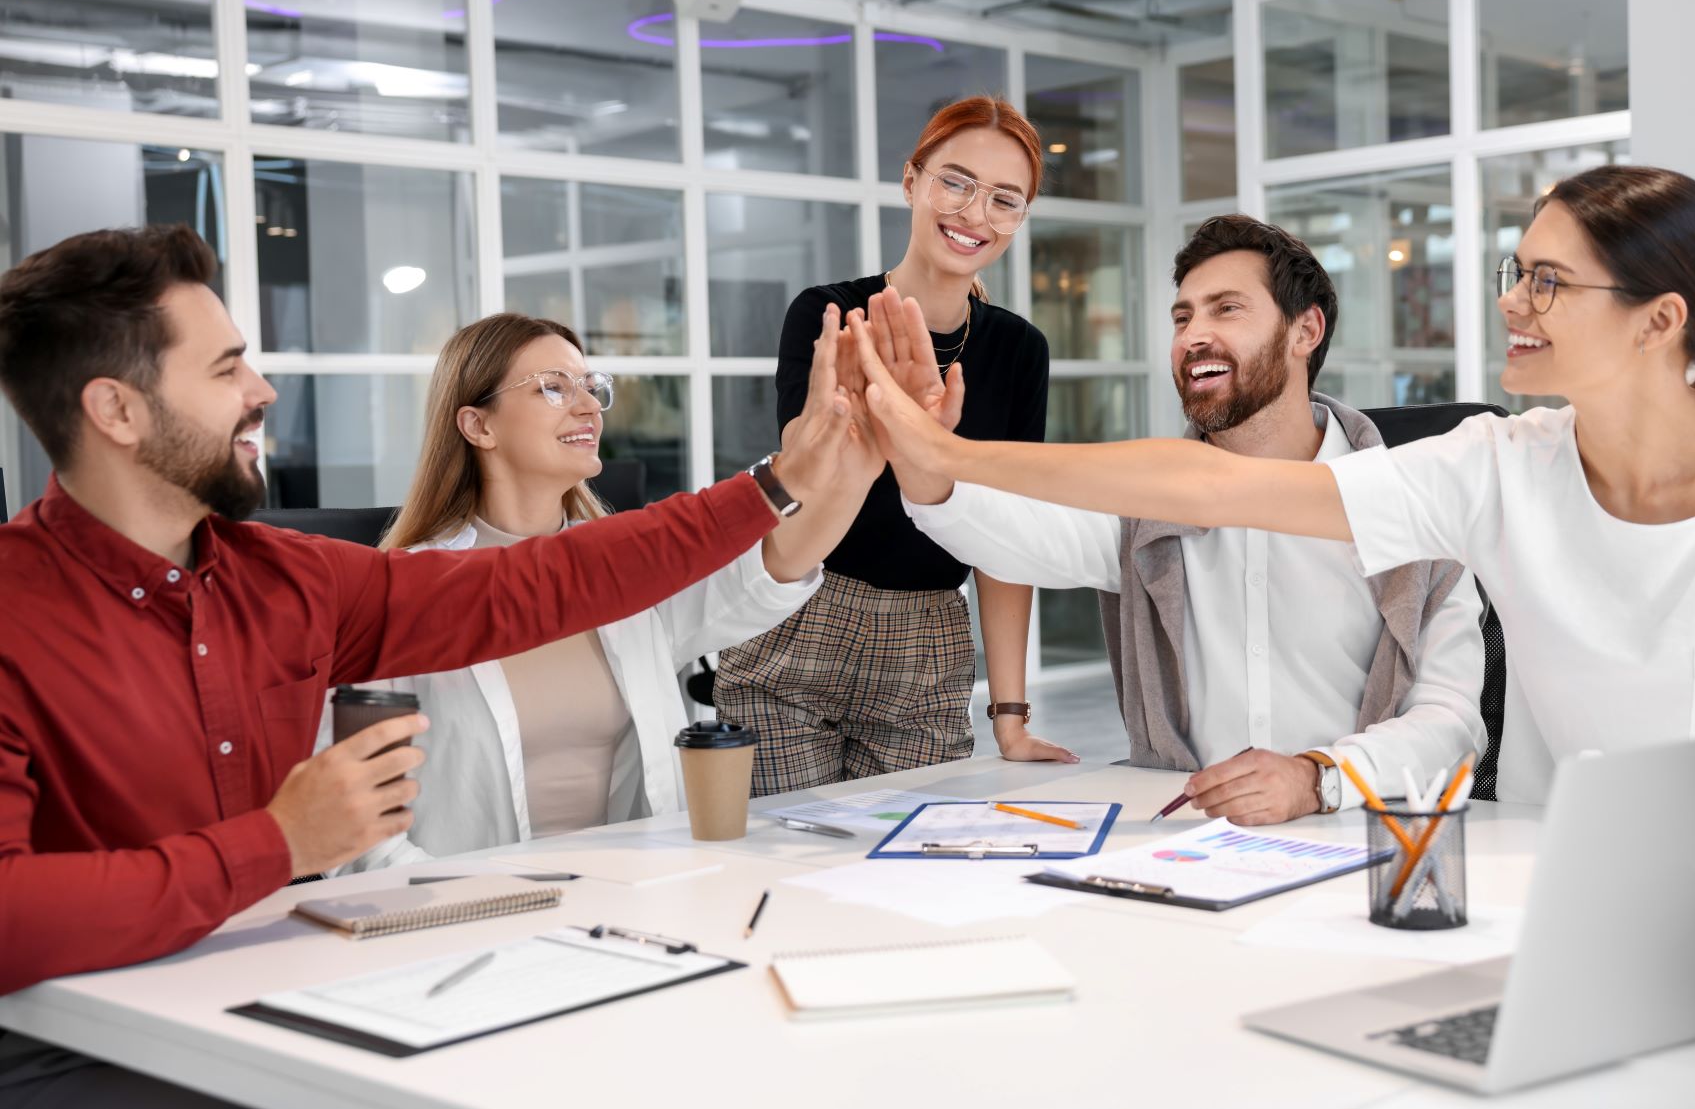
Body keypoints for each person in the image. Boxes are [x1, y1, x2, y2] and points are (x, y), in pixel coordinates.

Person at [0, 225, 859, 1101]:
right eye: (224, 371)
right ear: (116, 410)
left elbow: (549, 580)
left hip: (303, 1000)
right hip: (90, 1050)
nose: (261, 391)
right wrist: (283, 840)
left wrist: (776, 481)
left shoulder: (291, 578)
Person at [852, 166, 1695, 805]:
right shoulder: (1494, 465)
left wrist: (1322, 776)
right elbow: (1199, 490)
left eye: (1546, 281)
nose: (1510, 300)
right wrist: (939, 461)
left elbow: (1451, 722)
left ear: (1658, 320)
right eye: (1518, 272)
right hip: (1528, 889)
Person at [877, 216, 1485, 824]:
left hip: (1363, 839)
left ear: (1306, 330)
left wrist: (1318, 777)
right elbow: (1006, 535)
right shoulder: (1149, 517)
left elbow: (1452, 722)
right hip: (1189, 843)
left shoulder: (1410, 507)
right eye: (1182, 317)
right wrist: (918, 453)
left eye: (1226, 309)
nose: (1195, 335)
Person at [329, 311, 881, 870]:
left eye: (591, 387)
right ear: (478, 426)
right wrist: (454, 902)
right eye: (552, 387)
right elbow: (354, 826)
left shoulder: (625, 571)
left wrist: (859, 467)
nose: (590, 406)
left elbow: (771, 567)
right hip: (467, 916)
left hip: (629, 900)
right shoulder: (403, 594)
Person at [714, 95, 1074, 794]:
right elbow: (799, 472)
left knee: (908, 873)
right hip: (803, 617)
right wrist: (879, 430)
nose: (975, 215)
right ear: (912, 181)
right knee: (783, 870)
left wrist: (1009, 714)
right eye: (956, 182)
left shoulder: (1019, 350)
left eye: (1005, 199)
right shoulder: (828, 314)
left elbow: (1008, 536)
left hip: (927, 639)